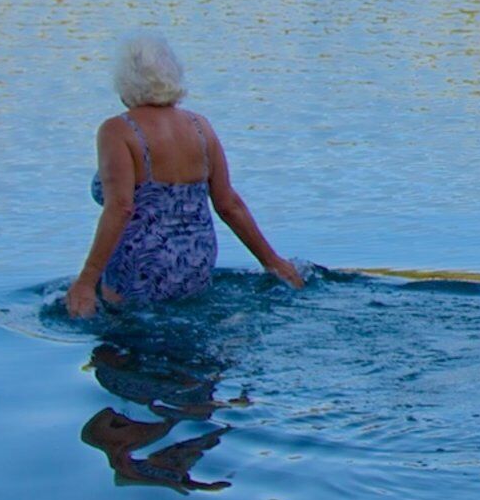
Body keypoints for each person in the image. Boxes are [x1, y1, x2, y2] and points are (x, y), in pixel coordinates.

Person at [66, 36, 305, 316]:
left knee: (119, 348)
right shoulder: (200, 127)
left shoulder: (117, 130)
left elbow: (120, 207)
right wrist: (272, 261)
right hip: (196, 263)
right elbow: (228, 204)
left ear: (124, 83)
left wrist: (85, 281)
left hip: (141, 266)